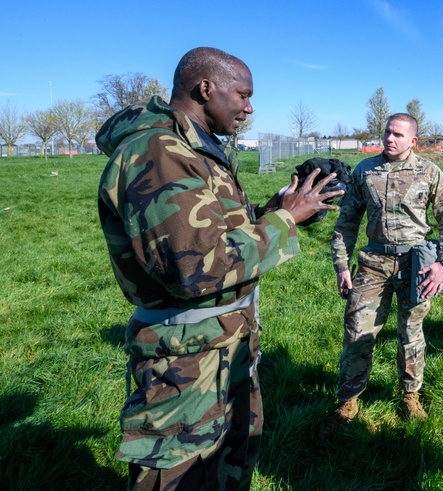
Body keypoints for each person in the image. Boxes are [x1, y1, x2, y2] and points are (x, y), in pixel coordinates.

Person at [96, 47, 343, 491]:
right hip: (187, 366)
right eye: (243, 95)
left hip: (225, 351)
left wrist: (287, 204)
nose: (250, 108)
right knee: (180, 478)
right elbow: (195, 268)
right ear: (205, 88)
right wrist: (286, 220)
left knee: (226, 475)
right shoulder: (158, 152)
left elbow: (224, 231)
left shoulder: (195, 148)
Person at [323, 112, 443, 430]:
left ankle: (410, 395)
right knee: (358, 332)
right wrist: (341, 265)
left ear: (412, 140)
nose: (389, 138)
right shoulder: (365, 171)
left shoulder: (429, 172)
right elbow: (346, 222)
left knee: (411, 334)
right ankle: (347, 402)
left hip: (417, 265)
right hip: (373, 264)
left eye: (398, 134)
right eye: (387, 132)